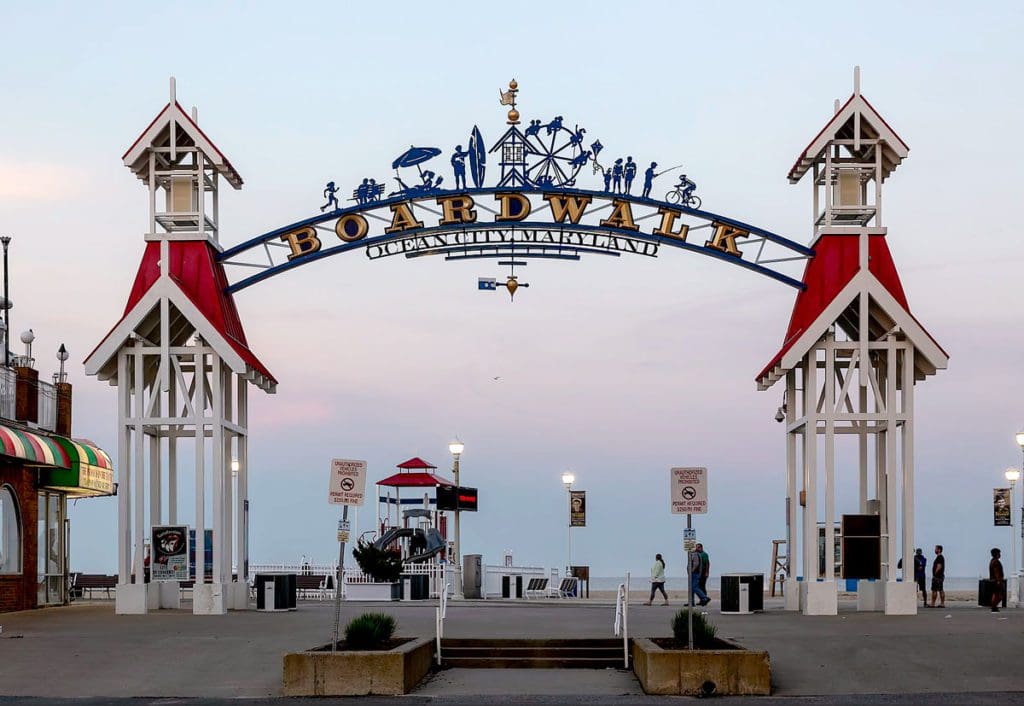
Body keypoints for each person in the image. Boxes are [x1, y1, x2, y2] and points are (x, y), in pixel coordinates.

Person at [990, 547, 1005, 612]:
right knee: (999, 595)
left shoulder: (992, 561)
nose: (1000, 554)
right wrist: (999, 580)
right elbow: (996, 572)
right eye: (999, 553)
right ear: (996, 554)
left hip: (994, 580)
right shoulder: (995, 561)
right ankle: (993, 607)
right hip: (996, 580)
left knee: (996, 594)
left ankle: (994, 607)